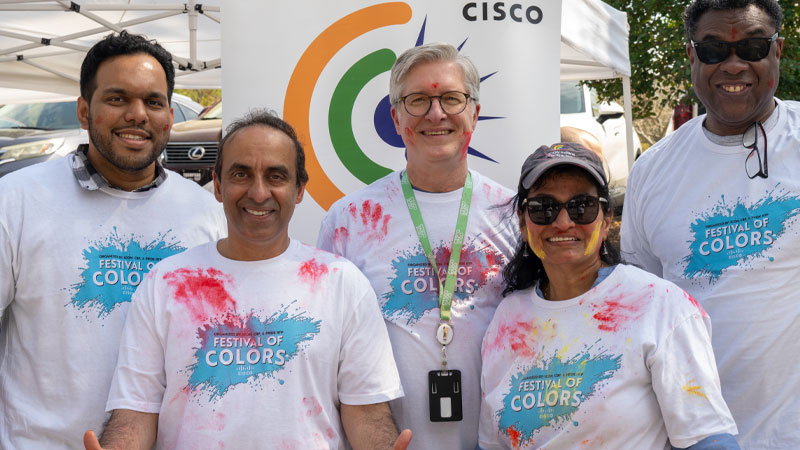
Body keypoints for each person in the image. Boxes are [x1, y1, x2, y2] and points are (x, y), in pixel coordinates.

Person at [83, 110, 410, 450]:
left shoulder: (343, 284)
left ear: (299, 190)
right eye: (241, 174)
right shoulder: (165, 283)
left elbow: (367, 413)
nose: (258, 192)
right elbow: (136, 413)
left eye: (276, 176)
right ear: (218, 186)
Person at [0, 31, 226, 449]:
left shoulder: (205, 214)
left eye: (153, 102)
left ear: (170, 115)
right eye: (118, 98)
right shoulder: (16, 201)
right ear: (84, 111)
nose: (137, 115)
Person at [317, 42, 516, 449]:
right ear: (396, 118)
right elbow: (327, 352)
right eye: (418, 100)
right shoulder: (349, 221)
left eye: (452, 98)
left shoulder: (512, 215)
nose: (436, 113)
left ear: (475, 113)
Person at [621, 1, 800, 447]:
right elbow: (641, 310)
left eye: (753, 47)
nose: (733, 65)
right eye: (714, 49)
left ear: (777, 50)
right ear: (691, 56)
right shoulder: (652, 171)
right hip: (694, 436)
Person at [479, 143, 738, 449]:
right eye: (543, 208)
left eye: (582, 206)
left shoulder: (662, 307)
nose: (563, 222)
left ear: (606, 220)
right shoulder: (507, 320)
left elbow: (708, 440)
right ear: (523, 223)